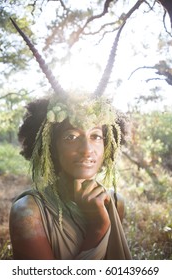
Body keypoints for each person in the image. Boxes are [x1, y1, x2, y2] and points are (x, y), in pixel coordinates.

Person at [9, 18, 132, 260]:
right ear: (50, 146)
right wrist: (97, 228)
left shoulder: (115, 203)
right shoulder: (28, 213)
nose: (87, 149)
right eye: (71, 136)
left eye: (96, 136)